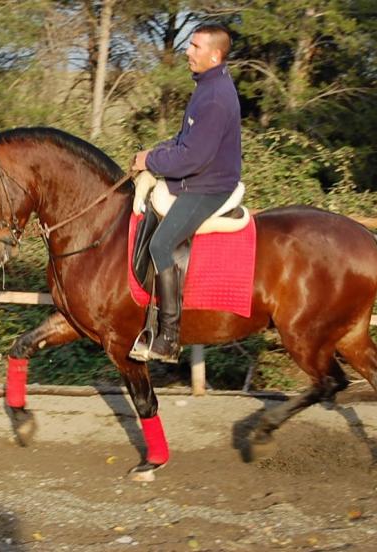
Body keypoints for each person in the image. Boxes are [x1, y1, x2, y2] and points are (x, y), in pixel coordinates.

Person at [130, 23, 242, 363]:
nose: (188, 51)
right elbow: (183, 144)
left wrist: (151, 159)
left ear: (215, 54)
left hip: (209, 186)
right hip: (196, 179)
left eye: (194, 46)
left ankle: (168, 337)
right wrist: (154, 155)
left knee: (161, 243)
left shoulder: (216, 98)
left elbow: (193, 156)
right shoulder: (206, 87)